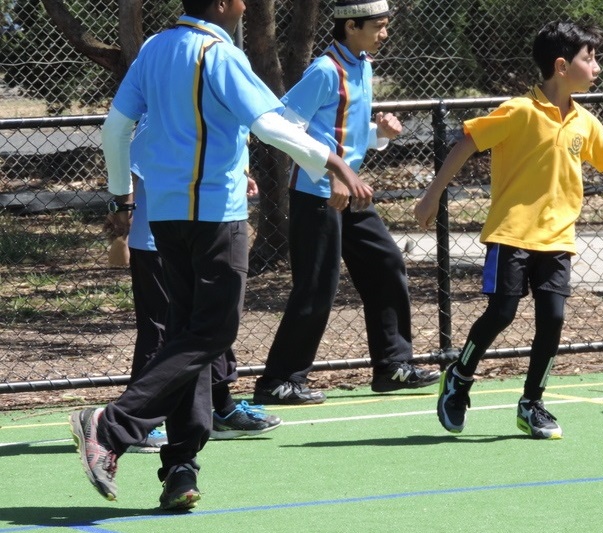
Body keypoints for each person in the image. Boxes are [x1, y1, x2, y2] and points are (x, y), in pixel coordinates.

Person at [70, 0, 371, 511]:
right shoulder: (221, 53)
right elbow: (271, 125)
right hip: (215, 215)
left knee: (191, 334)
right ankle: (113, 425)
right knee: (212, 332)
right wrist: (332, 160)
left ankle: (180, 468)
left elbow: (114, 129)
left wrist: (121, 196)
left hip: (165, 215)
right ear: (227, 3)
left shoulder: (154, 49)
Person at [414, 20, 603, 440]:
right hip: (510, 234)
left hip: (557, 239)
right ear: (561, 66)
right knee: (501, 313)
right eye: (589, 59)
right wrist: (431, 197)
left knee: (552, 319)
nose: (597, 68)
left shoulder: (584, 122)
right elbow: (466, 143)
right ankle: (458, 378)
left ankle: (532, 403)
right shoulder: (519, 111)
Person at [252, 0, 439, 406]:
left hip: (350, 193)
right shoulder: (324, 71)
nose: (384, 33)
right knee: (317, 288)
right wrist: (329, 172)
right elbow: (283, 130)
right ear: (351, 25)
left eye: (386, 25)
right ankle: (278, 382)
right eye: (378, 26)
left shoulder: (362, 64)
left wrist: (380, 132)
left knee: (387, 263)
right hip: (316, 195)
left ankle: (392, 366)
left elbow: (342, 133)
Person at [116, 115, 281, 453]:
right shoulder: (158, 121)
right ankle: (136, 425)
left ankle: (221, 406)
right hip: (156, 243)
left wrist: (240, 178)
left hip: (193, 237)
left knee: (209, 325)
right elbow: (128, 166)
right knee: (160, 330)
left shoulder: (201, 117)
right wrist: (123, 213)